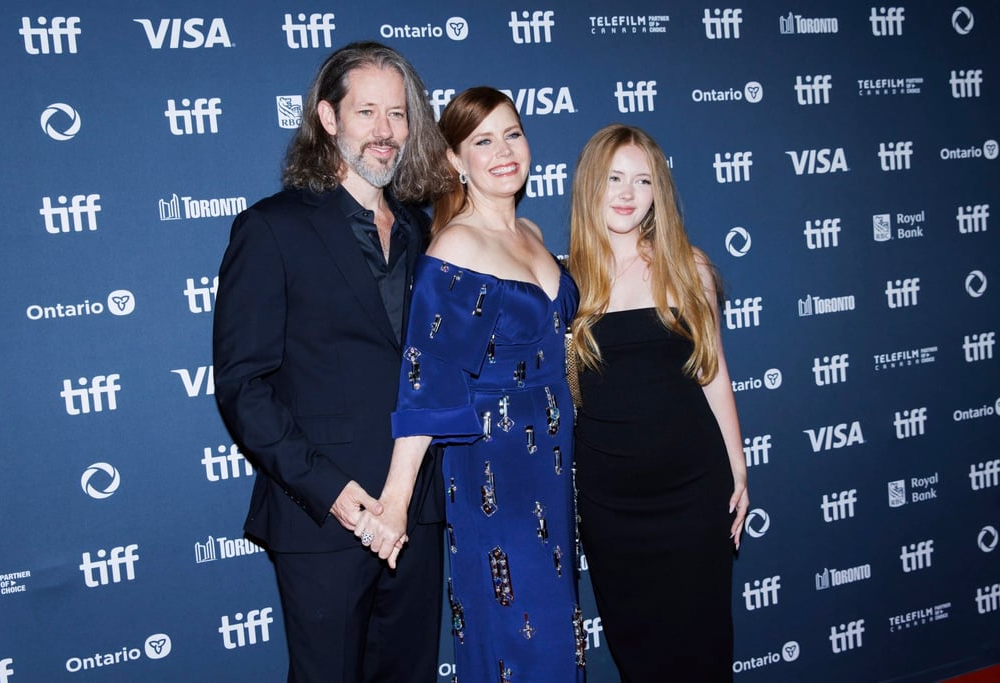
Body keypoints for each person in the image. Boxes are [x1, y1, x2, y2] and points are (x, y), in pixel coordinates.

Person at [212, 41, 451, 683]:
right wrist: (339, 496)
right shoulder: (273, 228)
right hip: (323, 518)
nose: (384, 132)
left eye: (398, 115)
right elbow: (243, 388)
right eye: (367, 111)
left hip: (417, 512)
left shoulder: (423, 233)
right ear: (327, 118)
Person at [354, 87, 587, 682]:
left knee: (556, 629)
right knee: (517, 635)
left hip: (552, 463)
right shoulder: (457, 245)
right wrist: (397, 502)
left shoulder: (532, 232)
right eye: (482, 141)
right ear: (456, 160)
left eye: (512, 134)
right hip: (496, 467)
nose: (503, 151)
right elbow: (428, 379)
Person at [567, 124, 749, 682]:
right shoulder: (565, 281)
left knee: (705, 644)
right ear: (591, 186)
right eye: (615, 178)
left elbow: (713, 372)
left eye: (643, 180)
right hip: (611, 501)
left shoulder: (687, 267)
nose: (627, 193)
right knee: (637, 648)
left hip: (693, 489)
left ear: (657, 192)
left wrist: (738, 470)